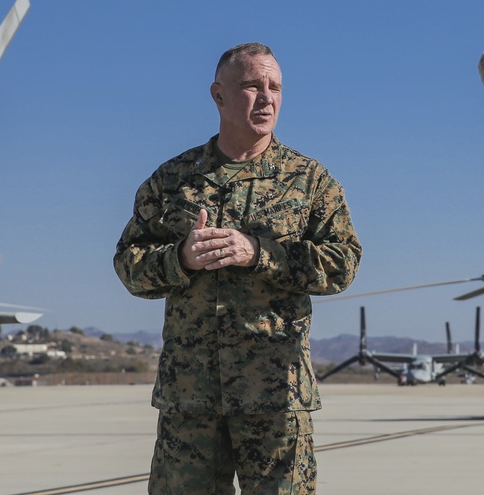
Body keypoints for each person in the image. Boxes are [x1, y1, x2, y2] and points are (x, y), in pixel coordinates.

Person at [113, 42, 362, 494]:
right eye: (252, 85)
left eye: (275, 87)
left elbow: (343, 263)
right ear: (218, 95)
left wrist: (258, 253)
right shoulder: (173, 181)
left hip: (275, 397)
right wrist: (180, 260)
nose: (266, 98)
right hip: (191, 397)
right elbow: (129, 264)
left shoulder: (310, 181)